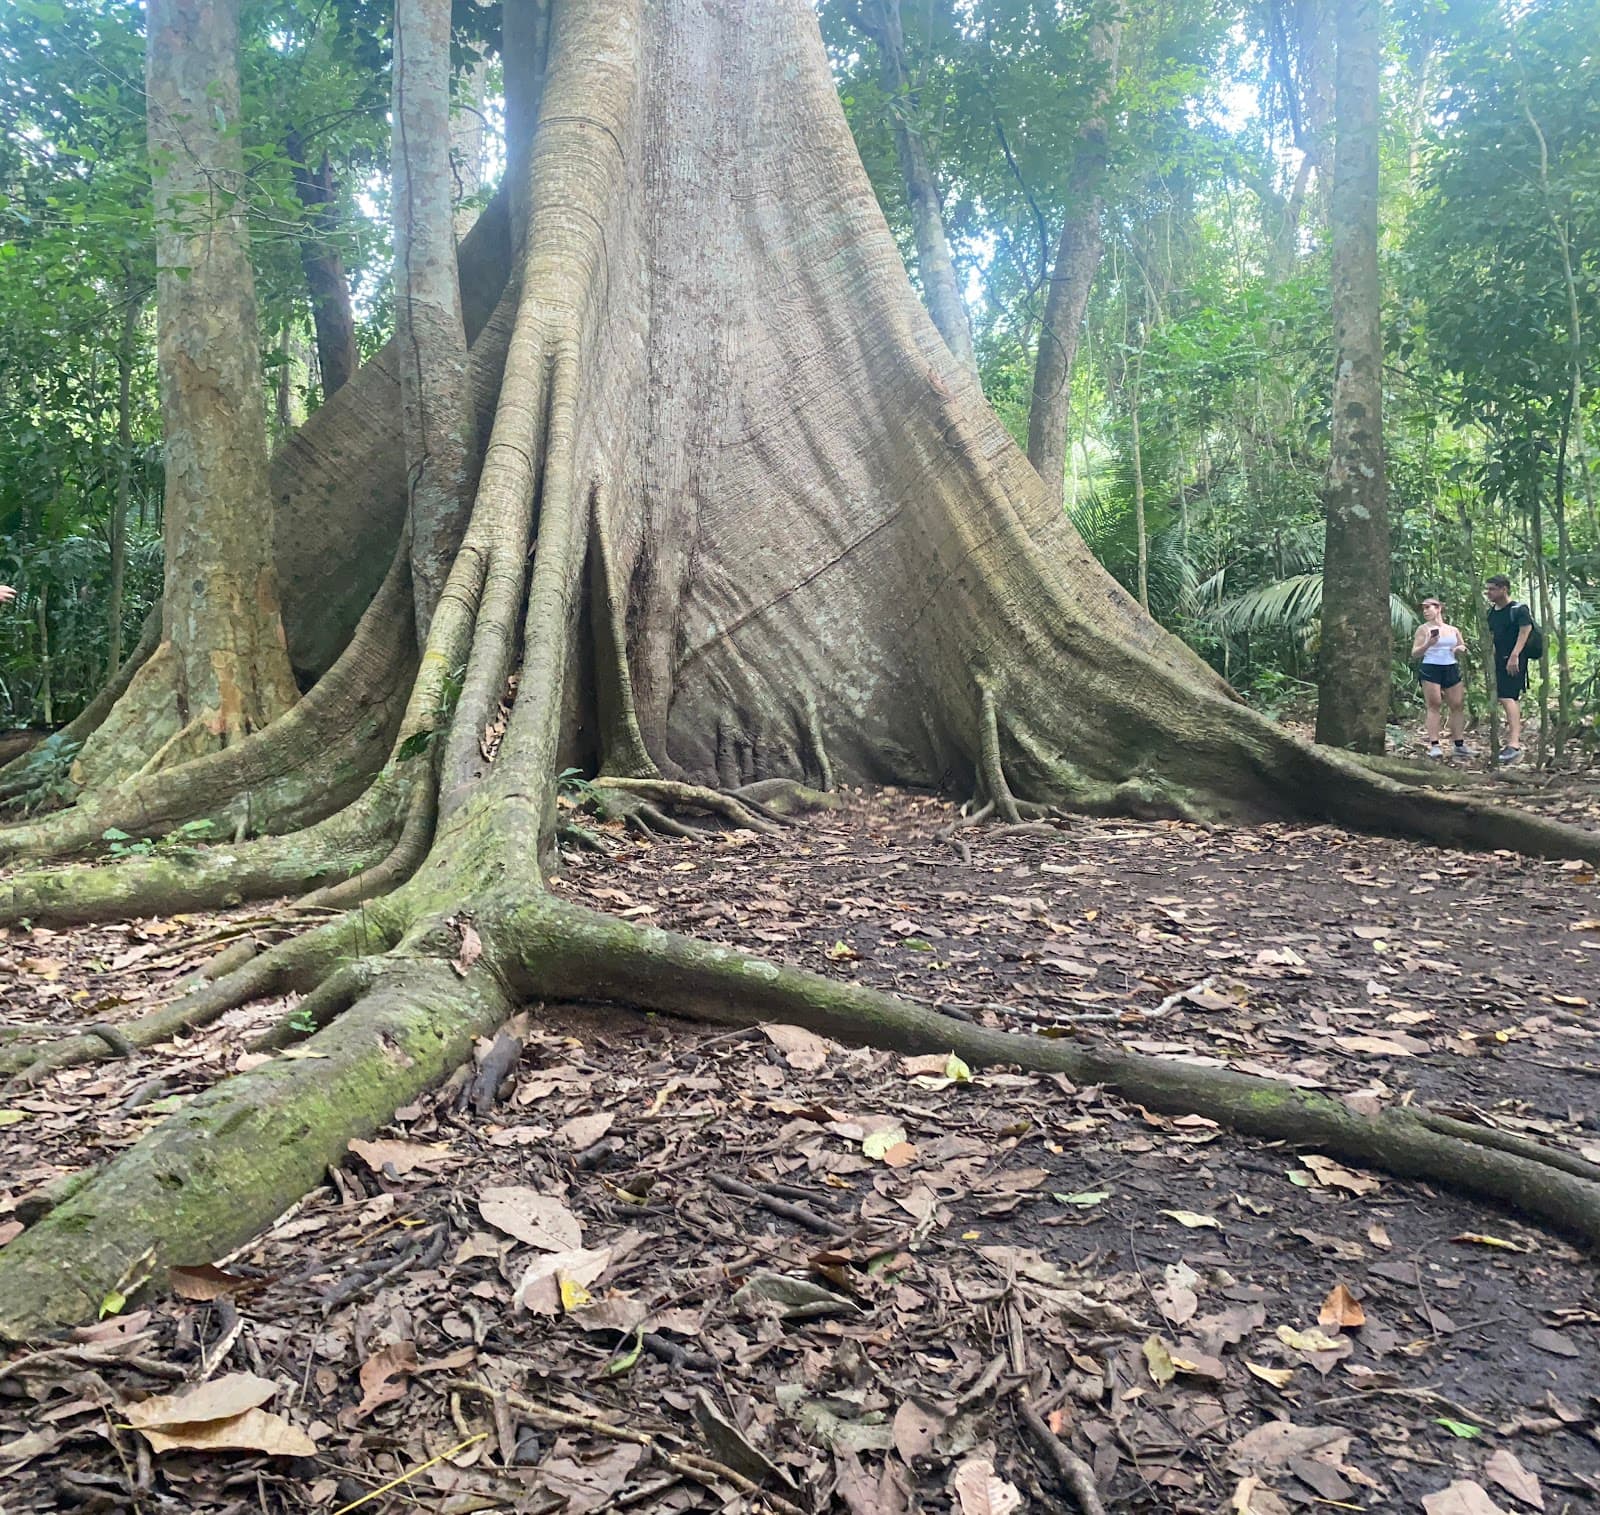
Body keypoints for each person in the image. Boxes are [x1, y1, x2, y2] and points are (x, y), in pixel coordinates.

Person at [1410, 597, 1469, 759]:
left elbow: (1461, 645)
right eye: (1423, 608)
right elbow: (1415, 653)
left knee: (1457, 705)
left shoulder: (1452, 630)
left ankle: (1459, 744)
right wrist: (1428, 644)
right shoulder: (1423, 630)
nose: (1425, 611)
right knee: (1434, 704)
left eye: (1429, 607)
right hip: (1431, 667)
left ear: (1439, 608)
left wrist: (1459, 649)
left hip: (1450, 667)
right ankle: (1435, 745)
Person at [1484, 574, 1533, 763]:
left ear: (1503, 589)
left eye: (1492, 589)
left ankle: (1514, 744)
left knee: (1508, 697)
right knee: (1503, 697)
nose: (1488, 593)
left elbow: (1525, 630)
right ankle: (1509, 743)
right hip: (1499, 660)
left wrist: (1514, 655)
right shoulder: (1492, 612)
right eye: (1487, 589)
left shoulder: (1519, 609)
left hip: (1514, 660)